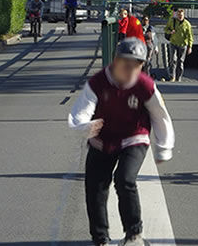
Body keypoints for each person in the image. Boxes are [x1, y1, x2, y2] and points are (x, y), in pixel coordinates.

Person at [67, 38, 175, 246]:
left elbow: (160, 115)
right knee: (95, 187)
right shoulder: (97, 82)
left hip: (134, 137)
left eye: (137, 66)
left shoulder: (145, 85)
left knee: (125, 179)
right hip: (102, 139)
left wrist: (164, 147)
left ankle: (134, 234)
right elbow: (81, 112)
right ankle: (100, 238)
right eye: (126, 64)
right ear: (116, 61)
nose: (131, 71)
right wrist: (84, 126)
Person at [166, 9, 194, 82]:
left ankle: (179, 78)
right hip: (173, 43)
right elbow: (166, 29)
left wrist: (190, 47)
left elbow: (190, 36)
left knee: (180, 61)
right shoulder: (172, 21)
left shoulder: (187, 24)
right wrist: (170, 32)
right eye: (178, 15)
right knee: (173, 60)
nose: (180, 16)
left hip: (183, 44)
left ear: (183, 15)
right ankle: (172, 77)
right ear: (177, 15)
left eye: (181, 15)